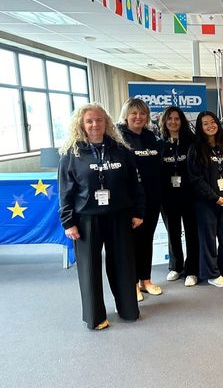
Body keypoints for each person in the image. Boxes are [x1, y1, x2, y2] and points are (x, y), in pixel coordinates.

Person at [58, 103, 143, 330]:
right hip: (86, 219)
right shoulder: (72, 153)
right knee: (89, 269)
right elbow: (65, 191)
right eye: (89, 121)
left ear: (106, 122)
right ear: (82, 125)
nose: (95, 125)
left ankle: (127, 309)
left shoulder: (121, 149)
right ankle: (95, 317)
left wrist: (138, 211)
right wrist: (68, 222)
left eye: (99, 120)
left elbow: (134, 184)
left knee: (123, 265)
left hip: (119, 215)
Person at [188, 111, 223, 288]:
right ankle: (211, 273)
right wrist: (214, 197)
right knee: (208, 239)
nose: (210, 126)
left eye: (213, 122)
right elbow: (196, 179)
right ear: (200, 128)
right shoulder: (195, 149)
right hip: (206, 202)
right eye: (205, 123)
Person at [118, 98, 163, 302]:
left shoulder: (150, 136)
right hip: (130, 201)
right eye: (134, 113)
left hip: (152, 198)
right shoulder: (118, 138)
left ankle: (146, 279)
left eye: (142, 114)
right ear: (126, 115)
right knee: (132, 243)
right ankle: (133, 283)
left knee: (146, 240)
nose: (138, 117)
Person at [158, 106, 199, 287]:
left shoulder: (191, 141)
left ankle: (192, 270)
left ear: (181, 121)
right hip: (167, 195)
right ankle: (176, 266)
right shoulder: (159, 143)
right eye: (170, 119)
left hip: (189, 194)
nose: (173, 122)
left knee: (192, 232)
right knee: (173, 231)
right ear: (164, 122)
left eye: (177, 118)